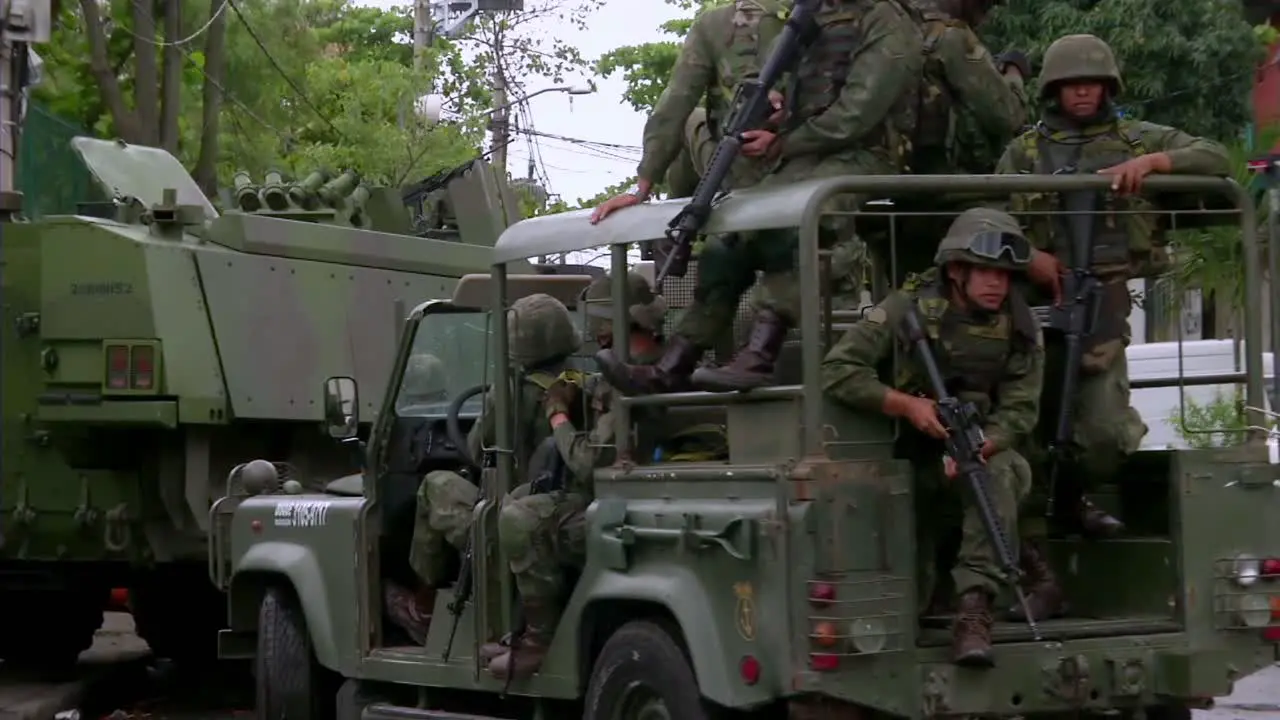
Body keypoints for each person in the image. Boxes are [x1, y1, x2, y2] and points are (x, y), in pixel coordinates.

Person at [596, 0, 925, 396]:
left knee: (789, 226)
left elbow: (858, 113)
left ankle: (760, 354)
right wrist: (773, 115)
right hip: (808, 157)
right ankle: (673, 364)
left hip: (869, 156)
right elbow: (792, 93)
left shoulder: (886, 20)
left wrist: (784, 141)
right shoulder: (811, 19)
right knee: (730, 238)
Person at [993, 33, 1230, 556]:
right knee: (1027, 426)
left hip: (1103, 303)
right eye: (1072, 84)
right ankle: (1036, 534)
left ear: (1109, 87)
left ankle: (1075, 496)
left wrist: (1152, 165)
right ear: (1054, 90)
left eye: (1093, 84)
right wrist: (1030, 257)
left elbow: (1215, 156)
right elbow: (986, 222)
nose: (1083, 93)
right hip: (1031, 306)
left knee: (1102, 434)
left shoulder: (1138, 139)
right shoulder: (1024, 152)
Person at [821, 208, 1042, 666]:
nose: (996, 284)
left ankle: (974, 610)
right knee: (910, 603)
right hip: (905, 461)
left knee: (1002, 471)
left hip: (972, 454)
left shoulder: (1019, 325)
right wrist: (908, 406)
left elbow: (1021, 410)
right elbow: (839, 370)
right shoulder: (908, 306)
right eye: (985, 271)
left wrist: (982, 446)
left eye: (1004, 274)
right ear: (956, 270)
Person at [484, 270, 729, 679]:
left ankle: (540, 641)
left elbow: (587, 464)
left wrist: (558, 414)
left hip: (628, 507)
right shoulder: (678, 364)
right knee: (529, 493)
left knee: (517, 517)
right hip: (670, 493)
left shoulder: (627, 381)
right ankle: (521, 628)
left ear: (605, 326)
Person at [383, 293, 584, 645]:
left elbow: (475, 451)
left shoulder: (507, 395)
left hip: (515, 516)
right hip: (566, 508)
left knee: (434, 485)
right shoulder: (583, 383)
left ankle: (424, 604)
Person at [589, 0, 788, 220]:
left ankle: (670, 233)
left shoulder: (715, 24)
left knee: (689, 119)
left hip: (748, 169)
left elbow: (677, 101)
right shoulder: (821, 14)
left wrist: (642, 188)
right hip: (814, 163)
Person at [909, 0, 1029, 175]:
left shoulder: (898, 26)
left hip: (902, 173)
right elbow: (1007, 116)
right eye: (985, 5)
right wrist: (1013, 74)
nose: (987, 15)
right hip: (955, 180)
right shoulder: (953, 37)